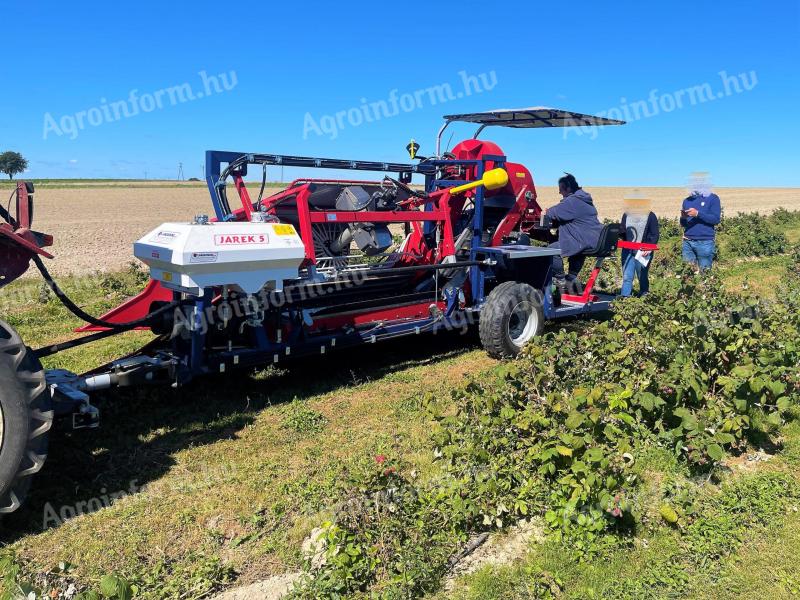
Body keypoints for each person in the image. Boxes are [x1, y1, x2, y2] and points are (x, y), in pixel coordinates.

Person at [546, 173, 603, 293]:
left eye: (561, 189)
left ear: (569, 188)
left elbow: (553, 212)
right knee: (577, 251)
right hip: (592, 239)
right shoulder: (584, 199)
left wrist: (546, 211)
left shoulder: (572, 201)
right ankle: (571, 278)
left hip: (581, 239)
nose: (560, 192)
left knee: (550, 251)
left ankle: (561, 281)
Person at [680, 173, 721, 270]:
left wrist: (698, 214)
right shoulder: (686, 201)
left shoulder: (713, 198)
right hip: (687, 242)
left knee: (705, 273)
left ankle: (706, 285)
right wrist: (683, 218)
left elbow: (716, 219)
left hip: (705, 242)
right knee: (687, 273)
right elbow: (683, 224)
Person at [620, 199, 660, 297]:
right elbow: (622, 231)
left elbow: (654, 234)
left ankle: (644, 298)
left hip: (643, 251)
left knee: (642, 276)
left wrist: (649, 248)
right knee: (627, 277)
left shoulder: (651, 216)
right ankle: (624, 300)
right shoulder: (626, 215)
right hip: (627, 250)